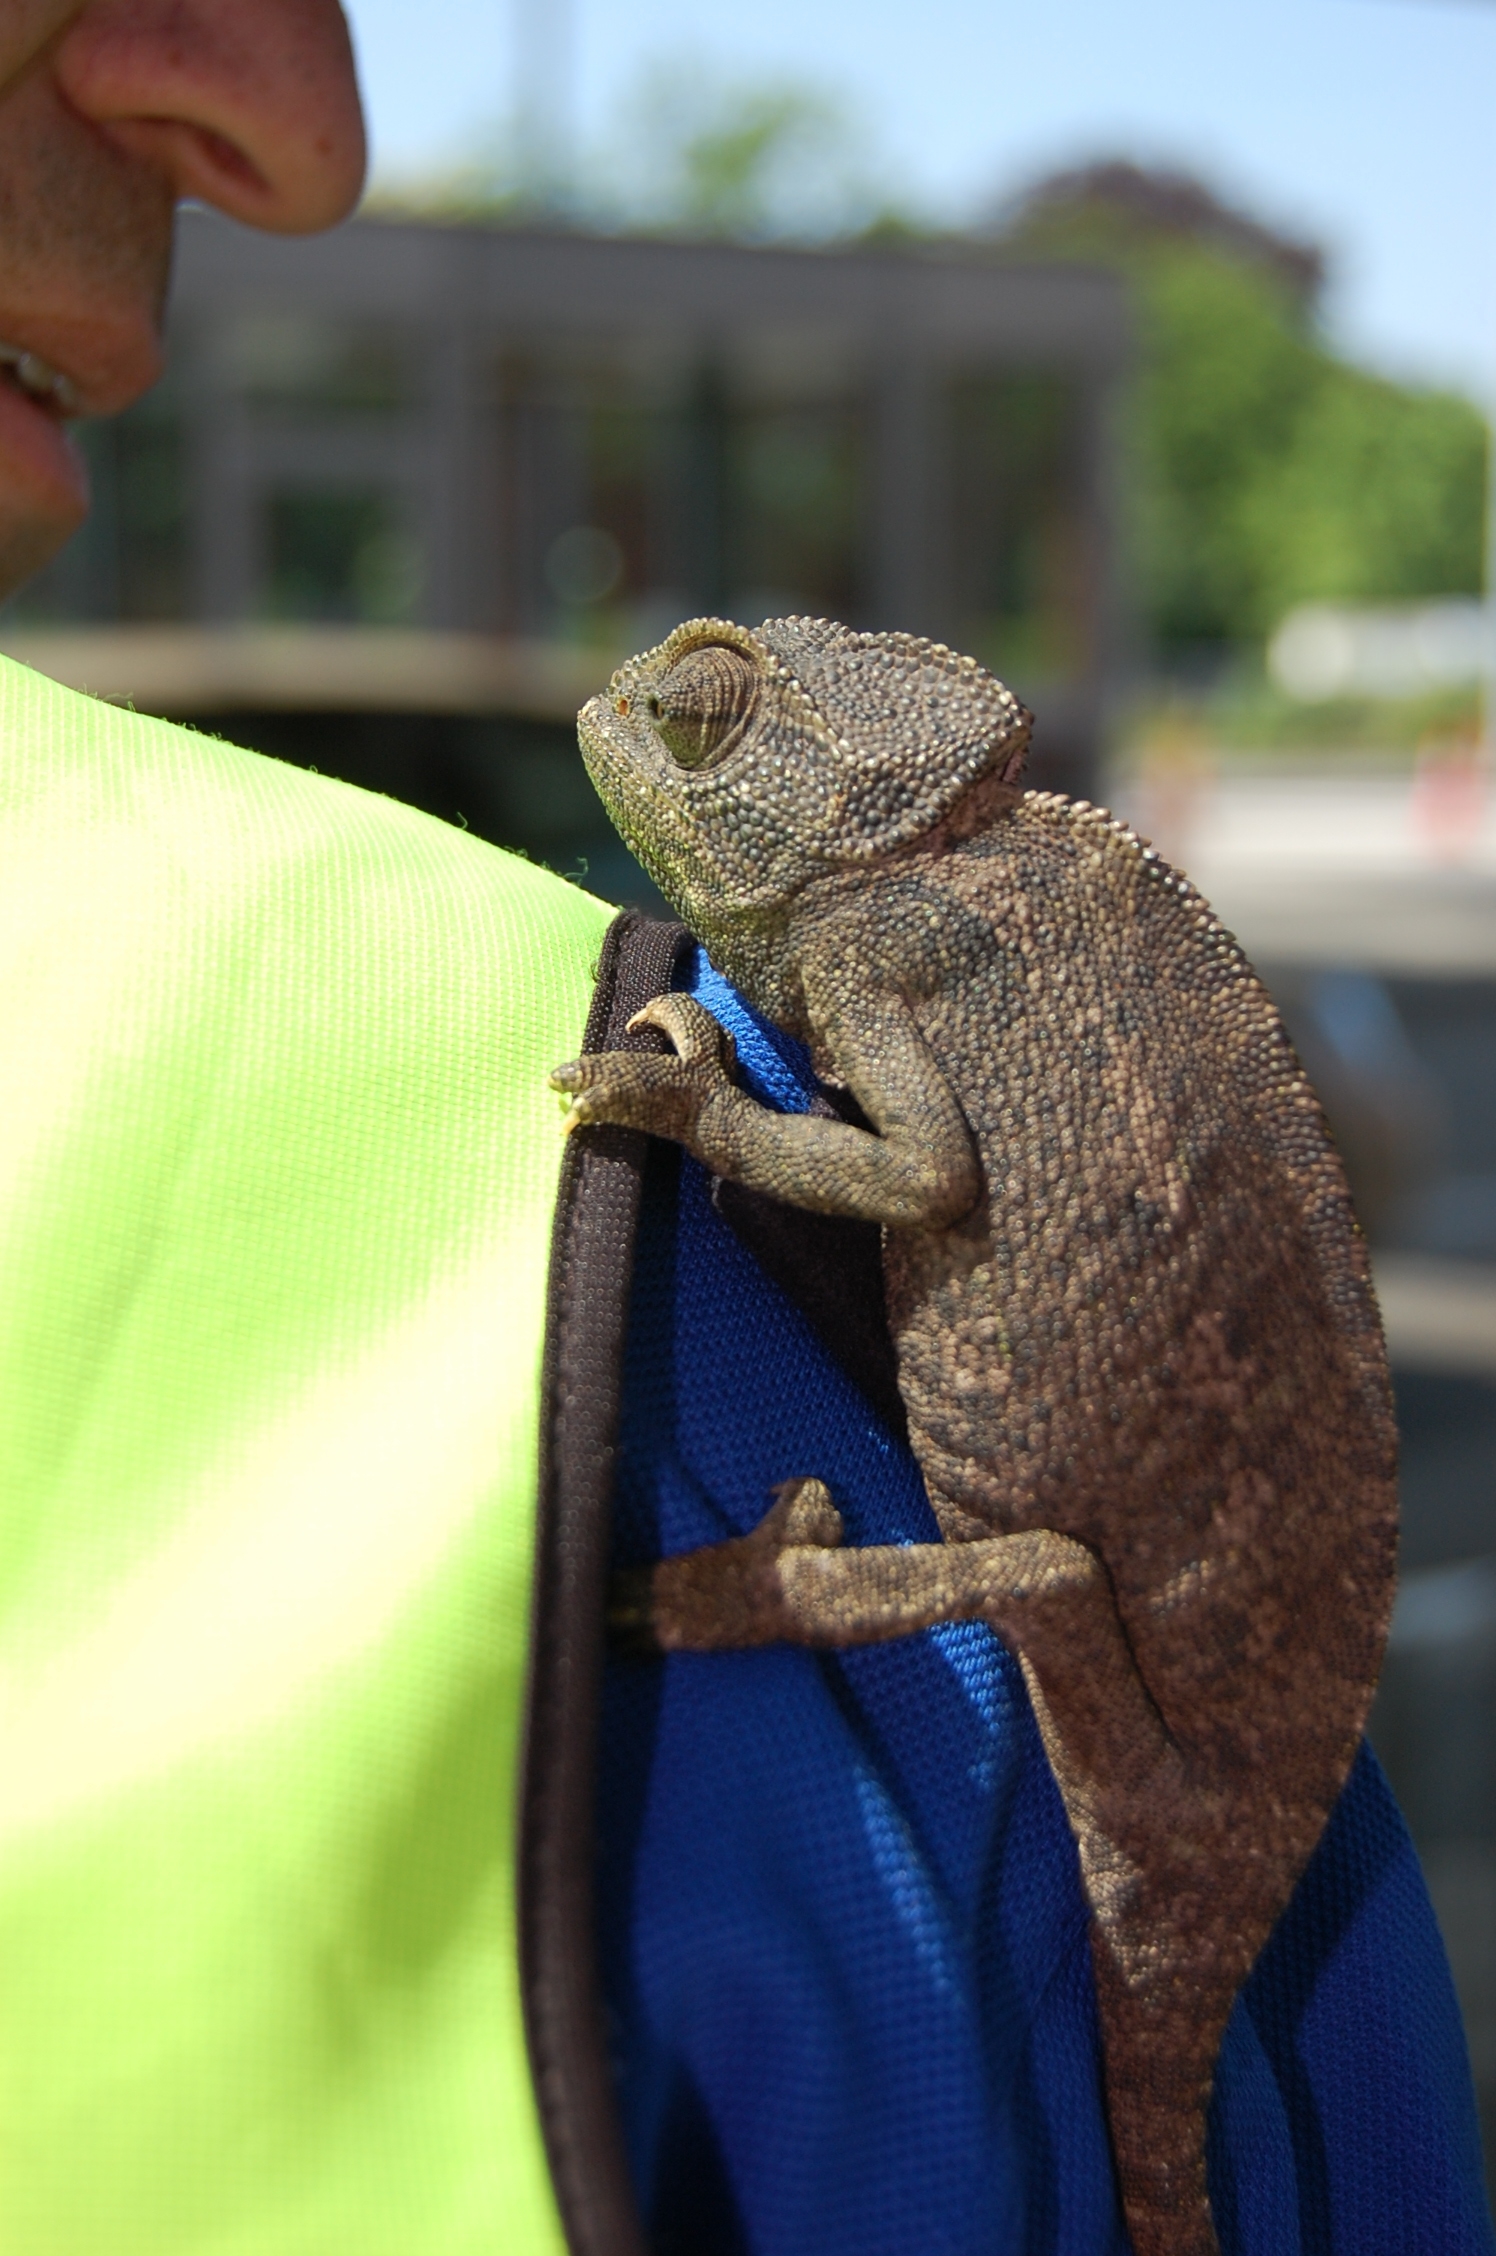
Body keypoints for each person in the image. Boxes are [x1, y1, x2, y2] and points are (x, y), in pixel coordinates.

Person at [0, 9, 1491, 2253]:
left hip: (1135, 1644)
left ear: (827, 797)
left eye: (704, 724)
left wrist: (698, 1142)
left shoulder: (905, 923)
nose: (640, 742)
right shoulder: (913, 917)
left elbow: (913, 1182)